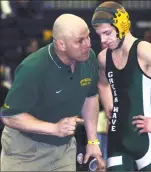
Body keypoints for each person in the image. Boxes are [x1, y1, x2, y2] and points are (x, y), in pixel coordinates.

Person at [91, 1, 151, 171]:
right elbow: (102, 85)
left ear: (122, 25)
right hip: (117, 139)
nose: (103, 40)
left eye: (107, 33)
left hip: (146, 140)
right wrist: (110, 109)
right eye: (99, 35)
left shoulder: (143, 50)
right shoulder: (103, 58)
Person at [0, 14, 105, 171]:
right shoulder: (33, 69)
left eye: (88, 37)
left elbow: (90, 97)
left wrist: (92, 141)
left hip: (64, 149)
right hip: (24, 151)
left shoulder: (88, 58)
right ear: (61, 44)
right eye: (79, 41)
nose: (88, 44)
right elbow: (10, 116)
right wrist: (54, 128)